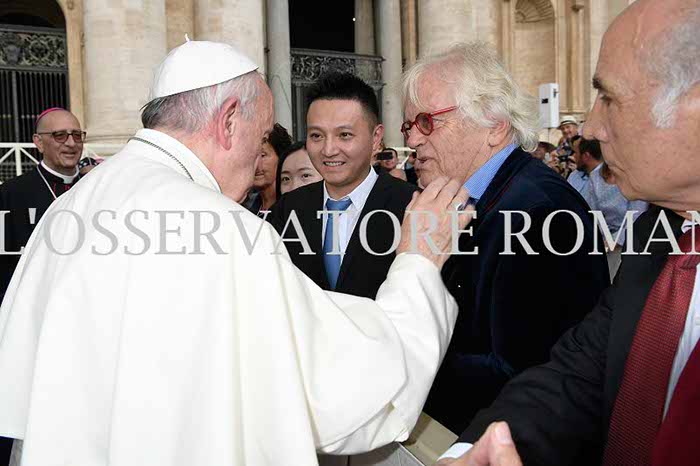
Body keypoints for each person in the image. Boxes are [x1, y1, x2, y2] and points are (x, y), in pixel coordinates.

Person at [0, 40, 472, 466]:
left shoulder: (73, 206)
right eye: (262, 135)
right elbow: (348, 399)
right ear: (228, 121)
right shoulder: (223, 229)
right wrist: (417, 261)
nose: (261, 155)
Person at [440, 1, 700, 464]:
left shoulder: (543, 206)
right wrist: (471, 454)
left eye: (610, 99)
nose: (592, 127)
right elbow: (576, 375)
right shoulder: (658, 233)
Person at [401, 41, 610, 434]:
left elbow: (525, 374)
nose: (412, 140)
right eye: (408, 126)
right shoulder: (465, 200)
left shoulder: (540, 212)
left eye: (426, 121)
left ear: (494, 125)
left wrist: (398, 357)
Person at [269, 72, 418, 299]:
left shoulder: (412, 206)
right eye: (316, 135)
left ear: (376, 137)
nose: (329, 150)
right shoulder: (287, 209)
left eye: (345, 135)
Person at [0, 108, 84, 301]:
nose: (71, 143)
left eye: (77, 135)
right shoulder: (11, 194)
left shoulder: (94, 185)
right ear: (38, 142)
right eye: (59, 135)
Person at [578, 139, 648, 279]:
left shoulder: (635, 176)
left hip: (630, 237)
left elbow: (636, 216)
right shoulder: (596, 175)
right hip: (603, 237)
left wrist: (614, 241)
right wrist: (599, 238)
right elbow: (592, 211)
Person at [243, 123, 292, 214]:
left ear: (281, 157)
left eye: (263, 155)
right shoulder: (246, 208)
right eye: (250, 156)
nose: (256, 163)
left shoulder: (292, 205)